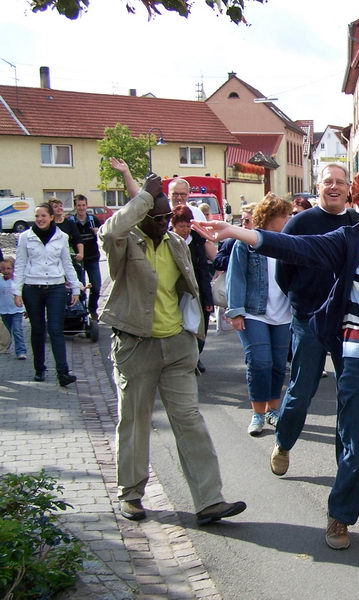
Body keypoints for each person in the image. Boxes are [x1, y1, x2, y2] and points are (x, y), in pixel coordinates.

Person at [193, 164, 359, 577]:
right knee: (356, 448)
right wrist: (238, 232)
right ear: (357, 202)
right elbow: (295, 248)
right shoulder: (346, 241)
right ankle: (340, 514)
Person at [101, 158, 246, 526]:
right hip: (136, 345)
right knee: (134, 420)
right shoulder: (126, 242)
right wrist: (141, 200)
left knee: (189, 419)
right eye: (157, 216)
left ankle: (209, 500)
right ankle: (131, 493)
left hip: (177, 345)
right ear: (143, 214)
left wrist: (192, 332)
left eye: (167, 217)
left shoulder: (174, 242)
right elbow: (109, 234)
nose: (164, 222)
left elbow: (188, 287)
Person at [268, 164, 359, 480]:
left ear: (349, 187)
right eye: (327, 182)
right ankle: (283, 442)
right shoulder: (299, 223)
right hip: (308, 319)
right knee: (301, 391)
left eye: (340, 182)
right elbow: (284, 273)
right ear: (318, 186)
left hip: (347, 321)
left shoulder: (358, 223)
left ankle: (348, 470)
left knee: (350, 397)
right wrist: (302, 298)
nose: (334, 187)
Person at [225, 195, 293, 436]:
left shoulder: (288, 242)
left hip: (284, 314)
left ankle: (273, 410)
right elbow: (236, 277)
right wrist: (235, 311)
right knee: (259, 362)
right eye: (284, 215)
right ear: (270, 217)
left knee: (277, 365)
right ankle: (257, 414)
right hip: (254, 312)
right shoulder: (245, 243)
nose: (288, 219)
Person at [12, 202, 80, 386]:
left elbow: (67, 264)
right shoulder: (26, 237)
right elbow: (19, 265)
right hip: (32, 287)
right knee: (38, 330)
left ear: (51, 217)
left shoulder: (62, 237)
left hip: (56, 287)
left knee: (56, 330)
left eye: (43, 216)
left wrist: (75, 288)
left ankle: (63, 372)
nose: (40, 219)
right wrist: (17, 292)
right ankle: (39, 369)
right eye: (37, 216)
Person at [169, 206, 216, 373]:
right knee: (178, 326)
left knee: (199, 325)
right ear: (174, 225)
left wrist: (208, 298)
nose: (186, 230)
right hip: (175, 290)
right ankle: (180, 359)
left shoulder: (196, 239)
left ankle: (195, 356)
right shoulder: (167, 240)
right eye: (182, 226)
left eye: (188, 226)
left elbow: (203, 268)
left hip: (197, 290)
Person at [211, 203, 255, 334]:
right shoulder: (234, 240)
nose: (244, 224)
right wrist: (237, 260)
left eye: (247, 220)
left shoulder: (267, 240)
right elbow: (217, 261)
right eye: (242, 220)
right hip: (240, 296)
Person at [68, 194, 103, 321]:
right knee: (79, 288)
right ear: (75, 206)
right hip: (78, 260)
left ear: (87, 206)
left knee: (97, 287)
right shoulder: (70, 221)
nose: (81, 208)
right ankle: (81, 312)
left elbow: (103, 236)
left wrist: (98, 232)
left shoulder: (93, 219)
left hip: (93, 258)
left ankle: (92, 309)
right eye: (79, 205)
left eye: (83, 205)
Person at [0, 259, 27, 359]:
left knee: (17, 330)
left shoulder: (17, 281)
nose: (6, 271)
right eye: (3, 269)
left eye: (8, 268)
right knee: (6, 332)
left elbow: (24, 295)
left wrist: (27, 309)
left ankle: (21, 351)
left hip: (17, 310)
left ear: (13, 269)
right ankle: (5, 347)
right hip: (4, 311)